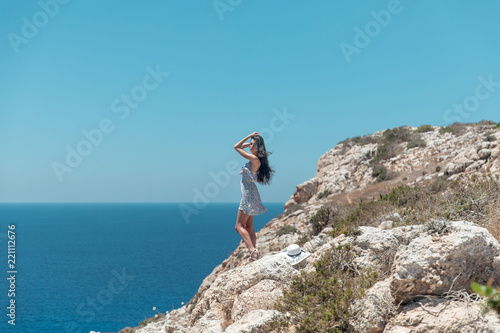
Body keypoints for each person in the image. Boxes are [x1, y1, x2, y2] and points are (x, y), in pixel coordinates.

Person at [234, 132, 274, 262]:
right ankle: (254, 255)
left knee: (238, 226)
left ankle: (252, 250)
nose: (250, 147)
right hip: (251, 194)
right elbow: (242, 146)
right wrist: (252, 141)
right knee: (249, 227)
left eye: (252, 145)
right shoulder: (256, 159)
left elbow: (236, 147)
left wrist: (249, 135)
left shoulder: (254, 159)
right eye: (250, 145)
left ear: (258, 147)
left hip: (248, 195)